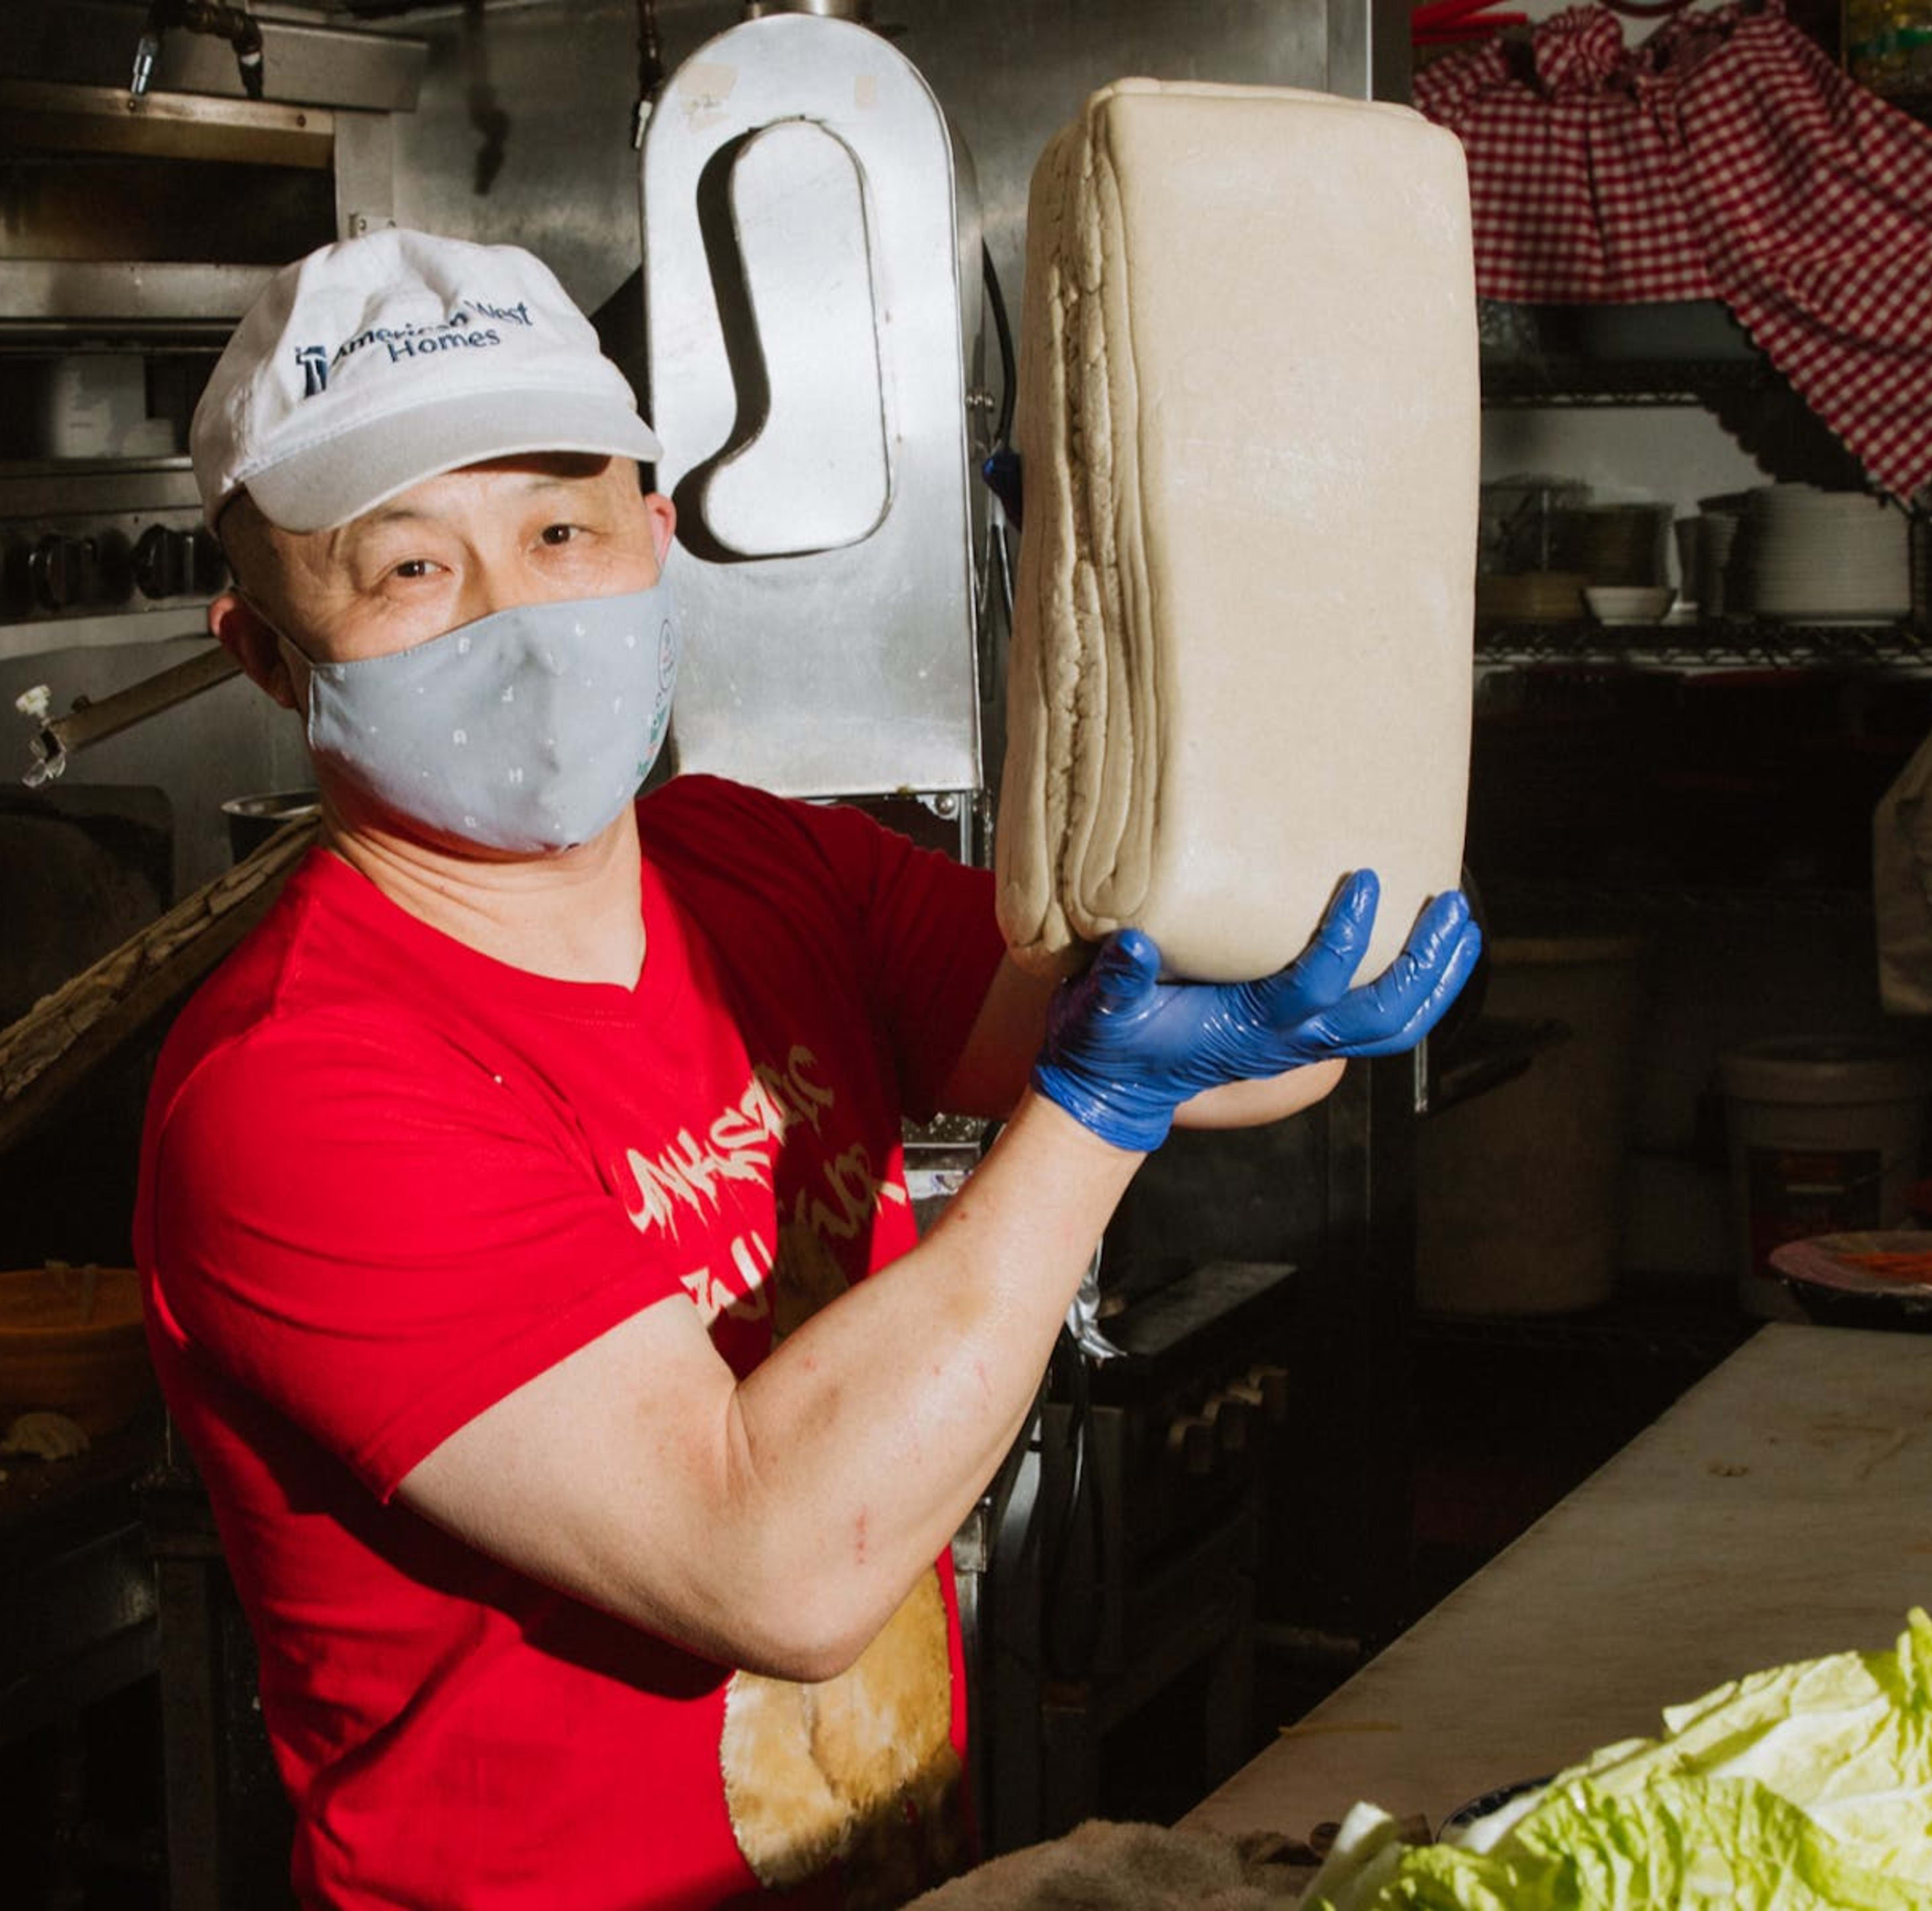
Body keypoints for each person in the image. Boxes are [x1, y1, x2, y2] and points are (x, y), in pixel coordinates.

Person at [135, 226, 1479, 1911]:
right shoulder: (298, 1087)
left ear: (658, 541)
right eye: (409, 570)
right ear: (267, 651)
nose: (514, 616)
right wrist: (1097, 1107)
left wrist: (1140, 628)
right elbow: (777, 1565)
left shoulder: (750, 871)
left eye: (563, 531)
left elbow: (1233, 1048)